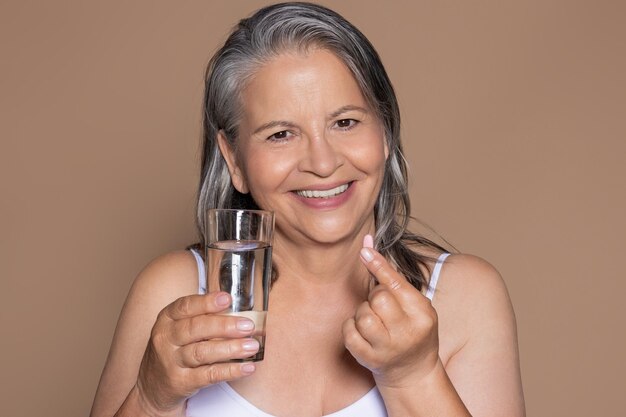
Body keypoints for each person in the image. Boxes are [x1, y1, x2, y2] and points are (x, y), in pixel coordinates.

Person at [90, 3, 525, 416]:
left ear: (386, 131)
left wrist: (415, 377)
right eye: (280, 134)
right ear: (234, 160)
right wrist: (150, 399)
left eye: (345, 123)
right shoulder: (173, 292)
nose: (322, 162)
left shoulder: (465, 298)